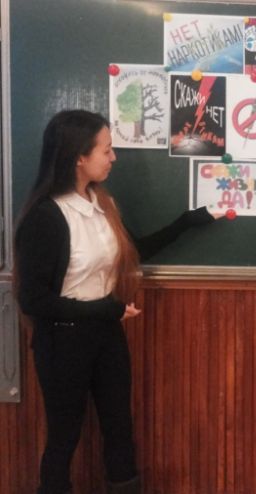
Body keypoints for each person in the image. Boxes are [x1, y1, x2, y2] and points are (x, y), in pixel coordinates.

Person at [14, 110, 220, 494]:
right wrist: (105, 310)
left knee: (119, 428)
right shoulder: (46, 217)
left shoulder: (101, 202)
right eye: (106, 150)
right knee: (64, 436)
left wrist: (185, 222)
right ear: (79, 156)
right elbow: (33, 299)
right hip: (62, 343)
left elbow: (132, 252)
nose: (114, 157)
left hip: (107, 335)